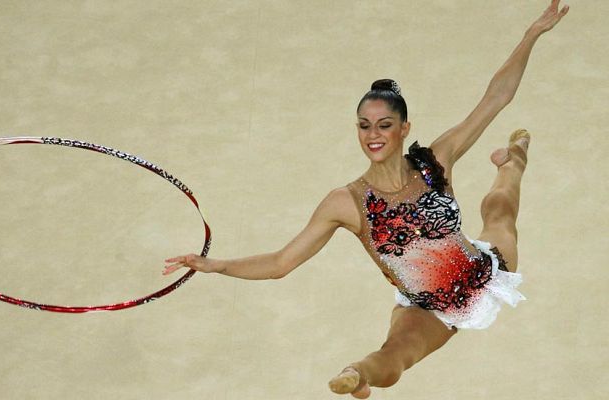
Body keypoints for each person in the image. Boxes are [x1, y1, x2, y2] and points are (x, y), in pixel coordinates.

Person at [163, 1, 569, 398]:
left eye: (385, 125)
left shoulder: (435, 162)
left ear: (404, 127)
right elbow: (280, 263)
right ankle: (354, 375)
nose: (373, 135)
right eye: (364, 126)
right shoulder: (346, 202)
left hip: (482, 271)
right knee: (395, 355)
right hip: (426, 305)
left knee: (500, 209)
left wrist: (531, 33)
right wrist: (215, 265)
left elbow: (494, 99)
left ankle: (513, 159)